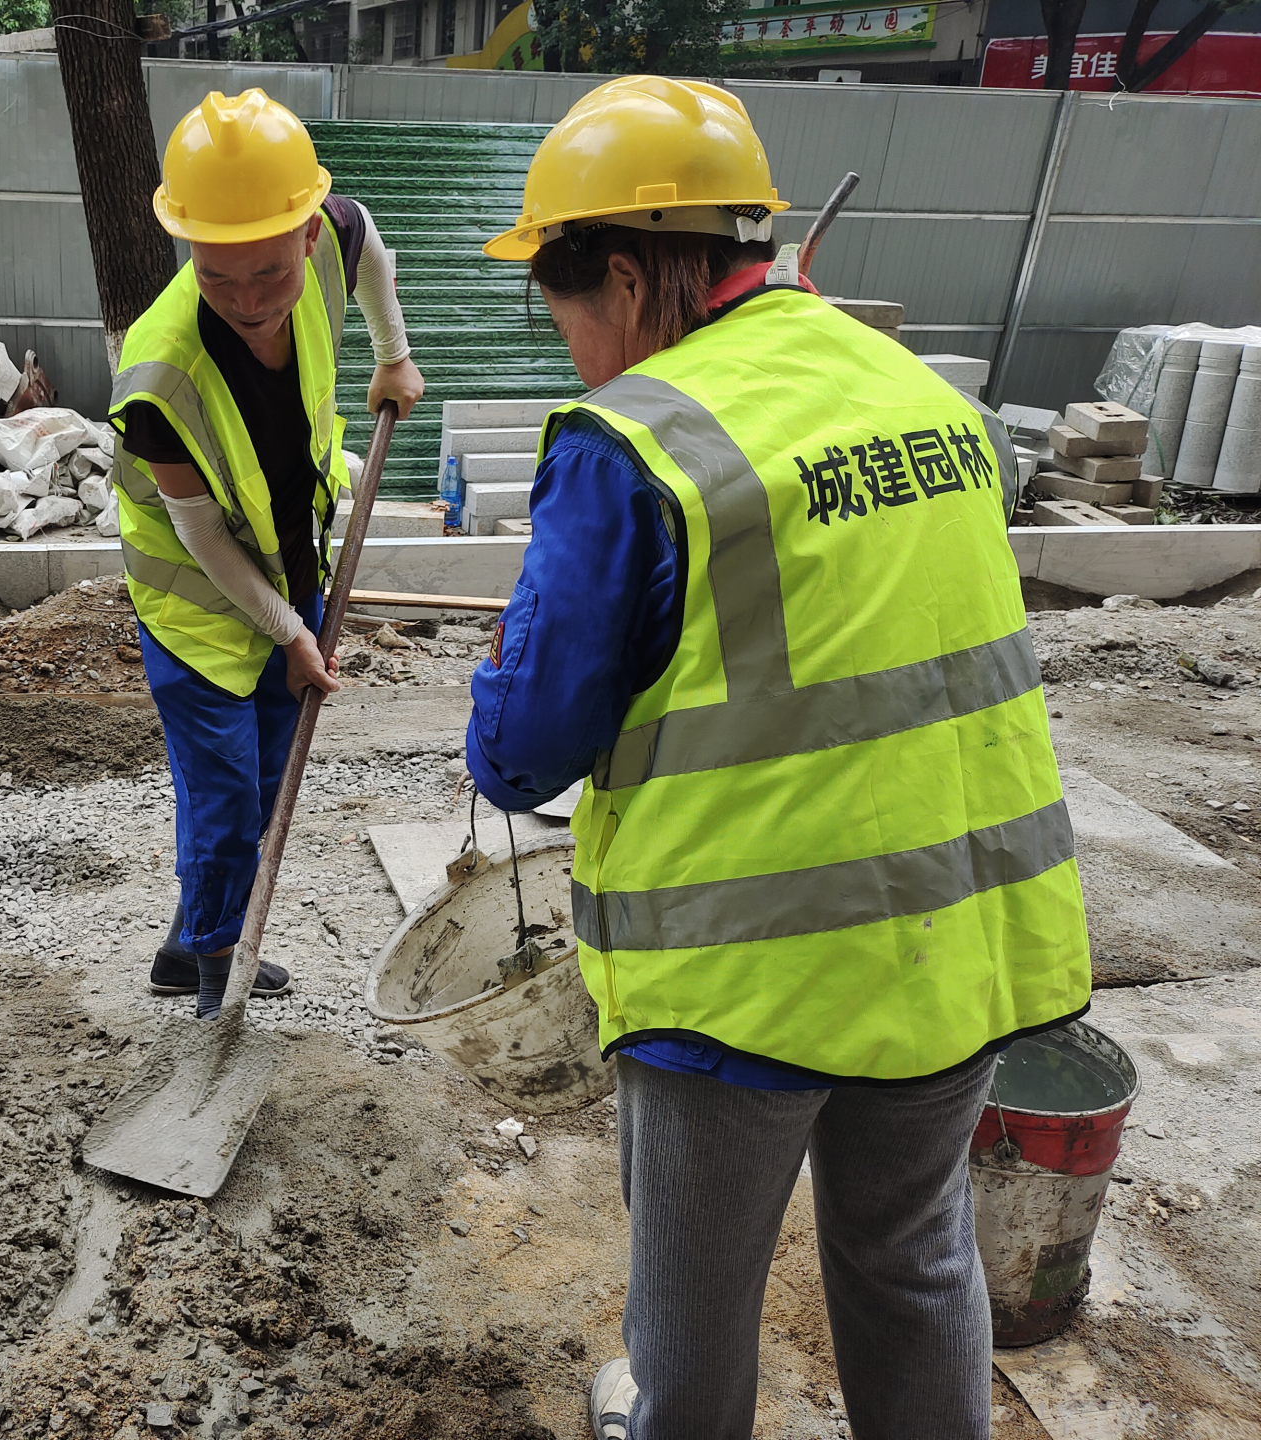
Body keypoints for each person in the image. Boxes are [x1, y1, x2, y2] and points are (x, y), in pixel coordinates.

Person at [464, 76, 1092, 1440]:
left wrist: (496, 686)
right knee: (914, 1265)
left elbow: (522, 752)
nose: (568, 346)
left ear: (625, 277)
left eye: (557, 307)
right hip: (954, 943)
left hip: (741, 978)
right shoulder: (913, 389)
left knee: (689, 1333)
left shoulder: (634, 440)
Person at [108, 89, 424, 1014]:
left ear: (308, 238)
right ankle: (215, 976)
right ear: (188, 247)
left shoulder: (334, 233)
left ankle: (193, 942)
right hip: (198, 611)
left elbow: (375, 248)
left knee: (267, 773)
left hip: (292, 569)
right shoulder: (158, 375)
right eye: (218, 277)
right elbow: (201, 533)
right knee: (228, 800)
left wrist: (393, 354)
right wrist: (291, 632)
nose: (248, 304)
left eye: (271, 276)